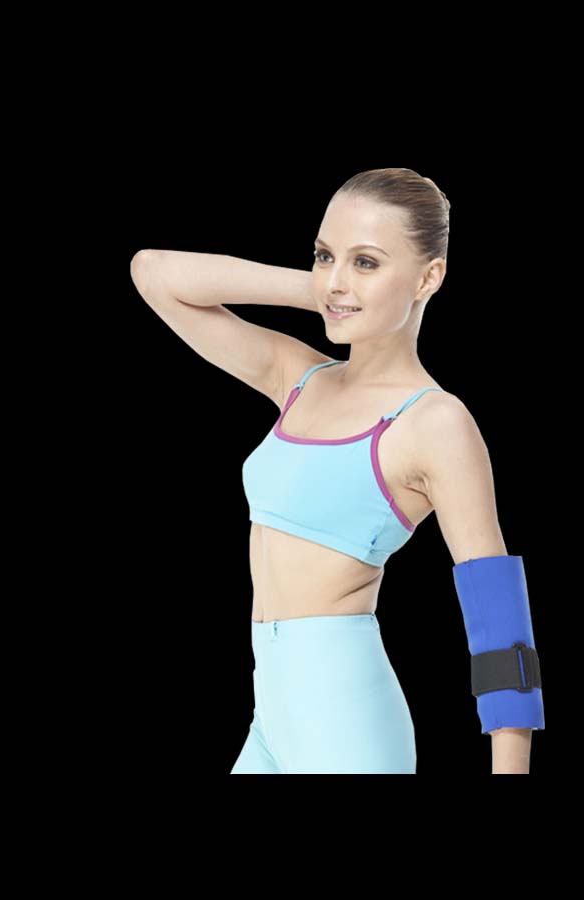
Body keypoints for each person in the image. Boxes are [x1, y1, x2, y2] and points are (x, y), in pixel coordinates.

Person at [130, 167, 541, 774]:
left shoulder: (434, 422)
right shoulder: (299, 377)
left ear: (429, 277)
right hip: (271, 714)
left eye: (367, 261)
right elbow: (154, 273)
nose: (337, 277)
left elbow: (498, 614)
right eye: (325, 255)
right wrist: (331, 290)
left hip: (344, 721)